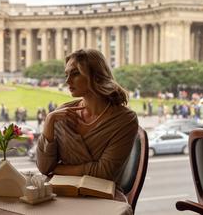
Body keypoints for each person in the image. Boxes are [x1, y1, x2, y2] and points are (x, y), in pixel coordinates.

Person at [36, 49, 138, 202]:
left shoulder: (124, 119)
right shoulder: (62, 114)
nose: (67, 81)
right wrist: (49, 122)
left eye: (75, 73)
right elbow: (44, 167)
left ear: (96, 76)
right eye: (66, 74)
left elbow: (104, 173)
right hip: (63, 194)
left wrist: (58, 169)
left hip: (102, 199)